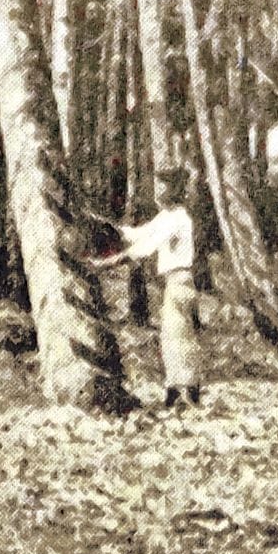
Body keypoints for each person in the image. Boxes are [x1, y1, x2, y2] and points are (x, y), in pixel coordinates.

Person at [97, 169, 202, 407]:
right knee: (171, 337)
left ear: (176, 190)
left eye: (165, 186)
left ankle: (185, 392)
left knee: (179, 337)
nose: (159, 191)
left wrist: (110, 261)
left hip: (180, 281)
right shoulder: (166, 217)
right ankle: (178, 390)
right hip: (174, 283)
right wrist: (111, 228)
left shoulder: (178, 218)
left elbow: (145, 247)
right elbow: (139, 234)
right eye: (159, 185)